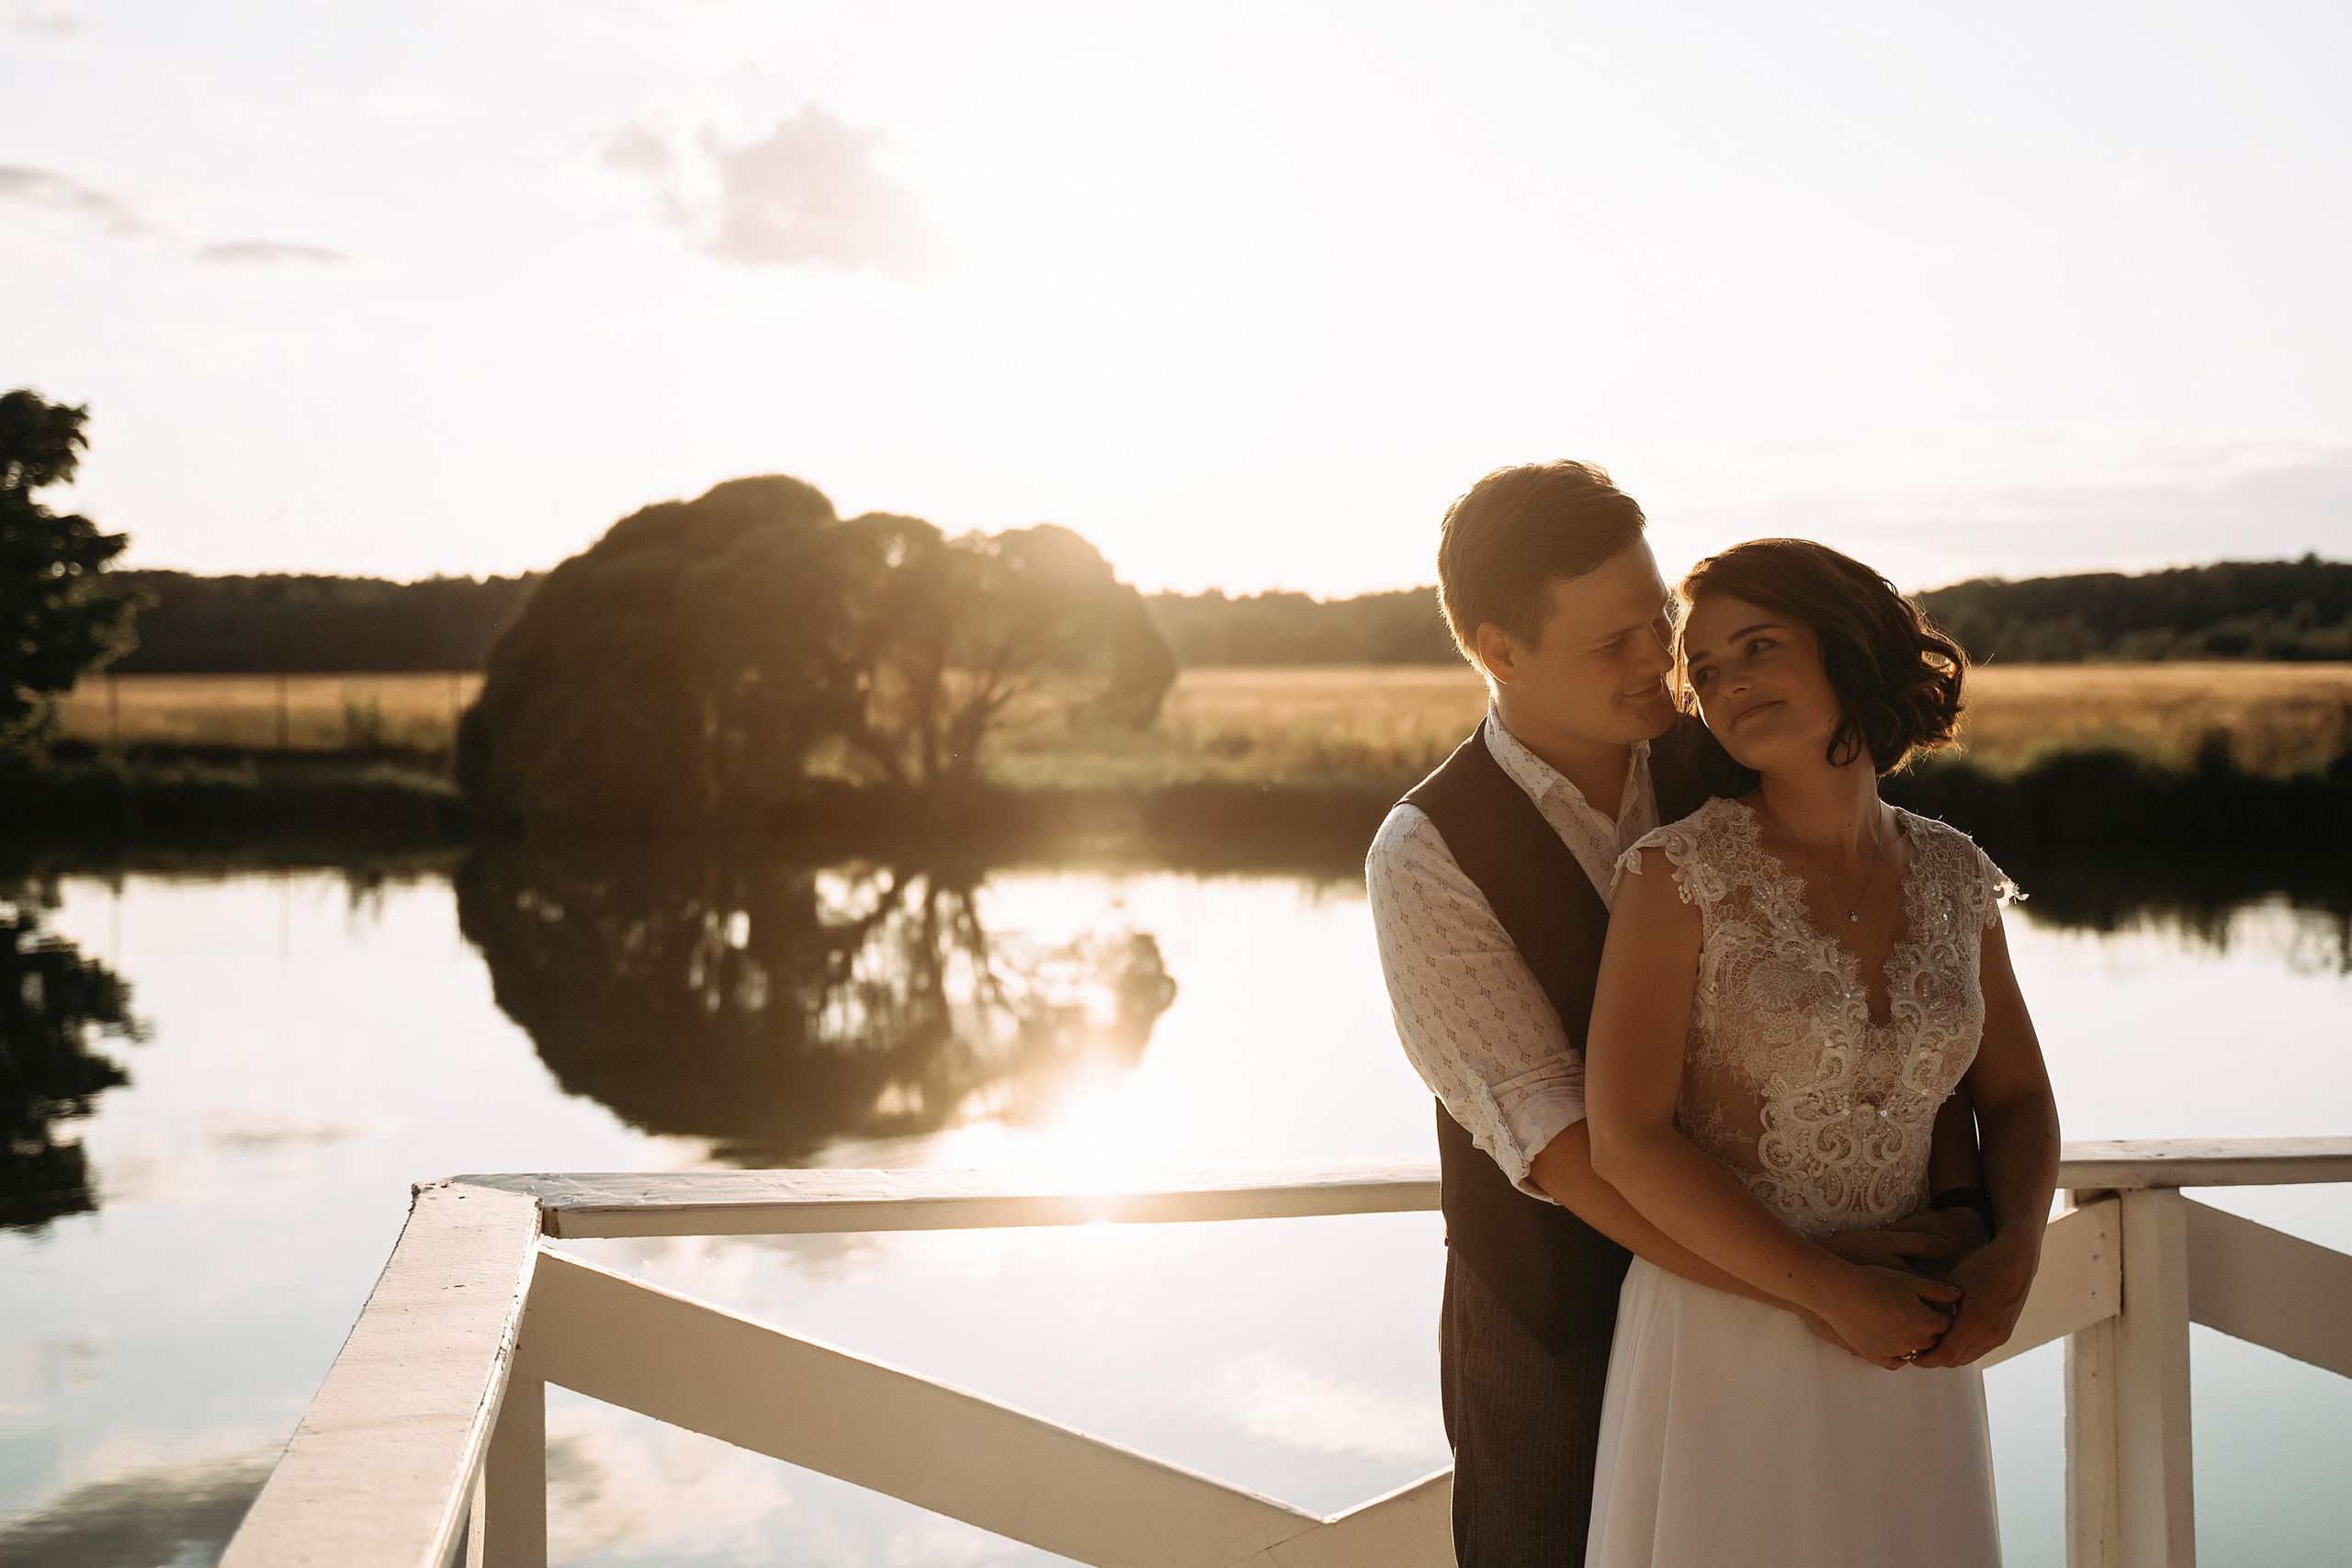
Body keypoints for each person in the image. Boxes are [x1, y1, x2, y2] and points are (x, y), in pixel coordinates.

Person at [1367, 468, 1992, 1567]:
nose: (1657, 660)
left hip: (1843, 1300)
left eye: (1655, 621)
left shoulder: (1737, 752)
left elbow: (1891, 995)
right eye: (1612, 643)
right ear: (1498, 650)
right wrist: (1814, 1284)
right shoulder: (1428, 853)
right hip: (1558, 1328)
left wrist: (1951, 1214)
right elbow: (1563, 1146)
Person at [1582, 537, 2063, 1567]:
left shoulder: (1953, 873)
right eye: (1705, 668)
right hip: (1731, 1337)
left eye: (1758, 646)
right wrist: (1832, 1292)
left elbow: (2017, 1095)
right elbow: (1626, 1139)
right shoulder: (1676, 876)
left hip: (1920, 1334)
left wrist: (2017, 1244)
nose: (1728, 683)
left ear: (1846, 646)